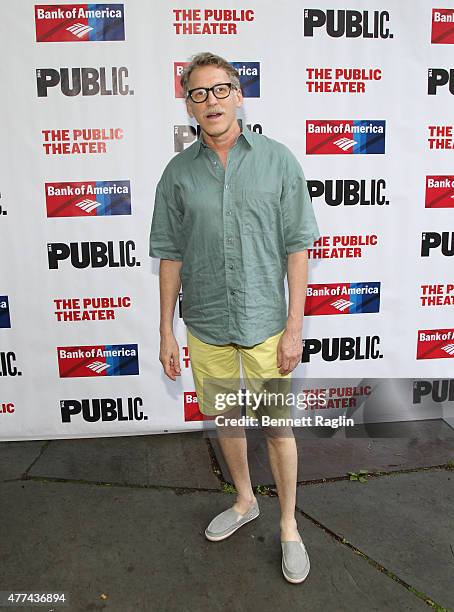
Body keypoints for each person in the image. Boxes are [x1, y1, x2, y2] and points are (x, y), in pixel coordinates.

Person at [149, 52, 320, 584]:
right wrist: (165, 331)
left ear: (238, 94)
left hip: (268, 323)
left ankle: (290, 525)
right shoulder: (177, 174)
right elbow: (170, 255)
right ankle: (245, 500)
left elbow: (297, 249)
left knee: (276, 428)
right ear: (189, 105)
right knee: (226, 422)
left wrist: (295, 327)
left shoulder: (278, 160)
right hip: (205, 325)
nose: (211, 101)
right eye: (199, 94)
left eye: (220, 89)